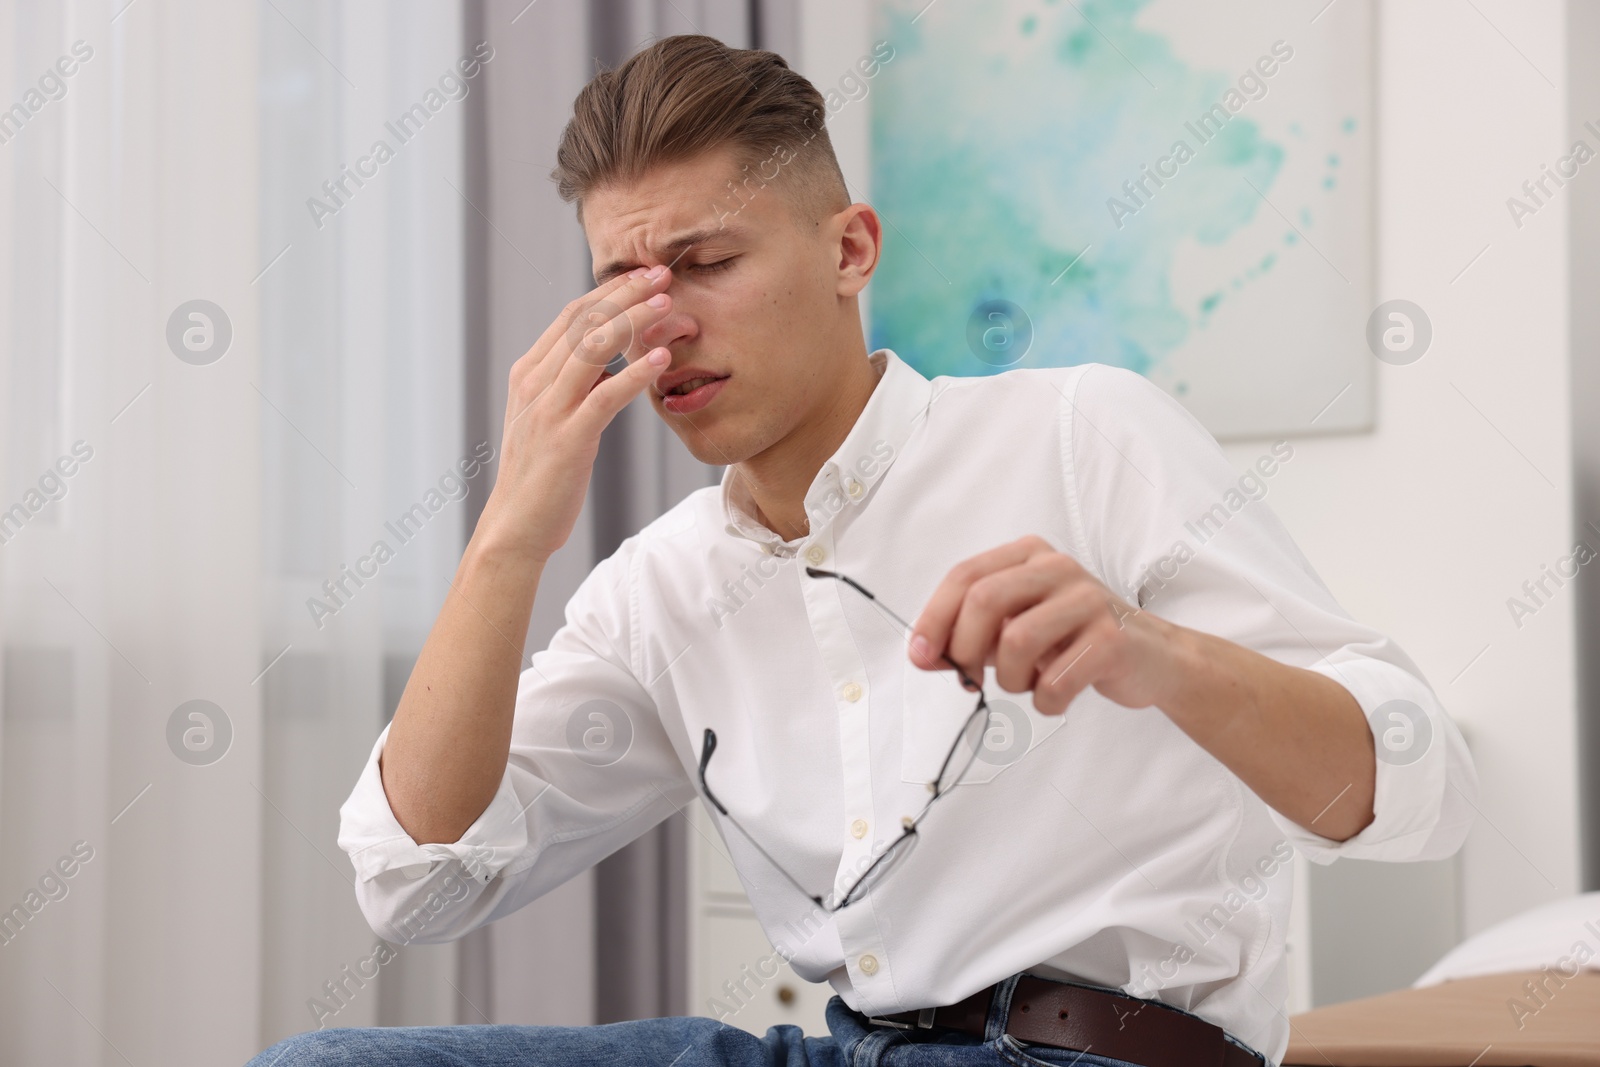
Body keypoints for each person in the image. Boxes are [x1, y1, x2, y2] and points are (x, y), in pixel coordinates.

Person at [249, 32, 1477, 1067]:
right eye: (619, 286)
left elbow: (1425, 791)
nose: (660, 328)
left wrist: (1151, 652)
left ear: (849, 250)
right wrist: (509, 533)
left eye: (706, 264)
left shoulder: (1081, 431)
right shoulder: (659, 590)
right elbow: (414, 883)